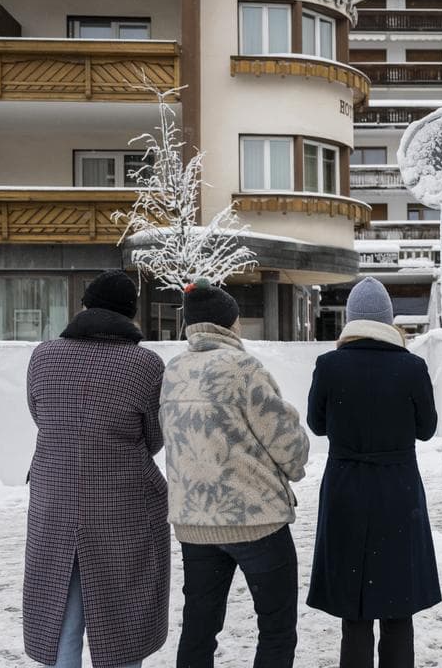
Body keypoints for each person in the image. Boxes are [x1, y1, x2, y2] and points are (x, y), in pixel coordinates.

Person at [160, 278, 310, 668]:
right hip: (255, 519)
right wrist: (295, 467)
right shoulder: (242, 368)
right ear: (229, 325)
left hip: (194, 522)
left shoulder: (173, 370)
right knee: (276, 627)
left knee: (199, 626)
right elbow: (283, 437)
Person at [23, 270, 168, 668]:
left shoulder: (43, 355)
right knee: (122, 618)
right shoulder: (146, 365)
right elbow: (154, 437)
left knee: (61, 614)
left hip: (54, 499)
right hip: (123, 504)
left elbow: (41, 416)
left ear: (83, 306)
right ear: (131, 315)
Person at [307, 277, 441, 668]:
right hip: (397, 491)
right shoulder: (411, 366)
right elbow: (427, 428)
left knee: (355, 611)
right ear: (389, 320)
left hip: (345, 489)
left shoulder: (330, 365)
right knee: (399, 610)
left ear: (351, 320)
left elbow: (317, 425)